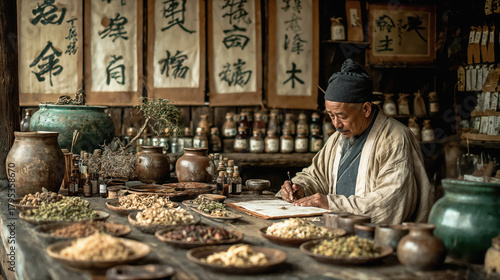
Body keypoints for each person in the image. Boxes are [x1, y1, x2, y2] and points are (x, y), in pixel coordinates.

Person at [279, 59, 433, 224]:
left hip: (384, 238)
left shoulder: (395, 138)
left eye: (342, 116)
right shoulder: (337, 139)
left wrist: (331, 204)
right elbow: (317, 176)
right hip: (338, 230)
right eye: (331, 115)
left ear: (366, 109)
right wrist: (301, 187)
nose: (336, 124)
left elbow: (389, 204)